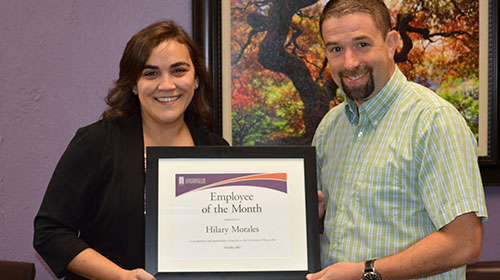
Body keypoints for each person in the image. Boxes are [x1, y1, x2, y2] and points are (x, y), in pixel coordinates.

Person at [34, 20, 229, 280]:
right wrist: (121, 277)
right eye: (150, 73)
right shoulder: (97, 142)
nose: (167, 85)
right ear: (134, 85)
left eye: (179, 70)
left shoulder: (217, 150)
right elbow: (50, 232)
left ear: (195, 80)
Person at [307, 0, 487, 279]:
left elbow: (464, 243)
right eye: (336, 49)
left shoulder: (433, 121)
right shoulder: (330, 128)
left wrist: (365, 273)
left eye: (362, 44)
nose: (350, 62)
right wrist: (314, 214)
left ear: (391, 43)